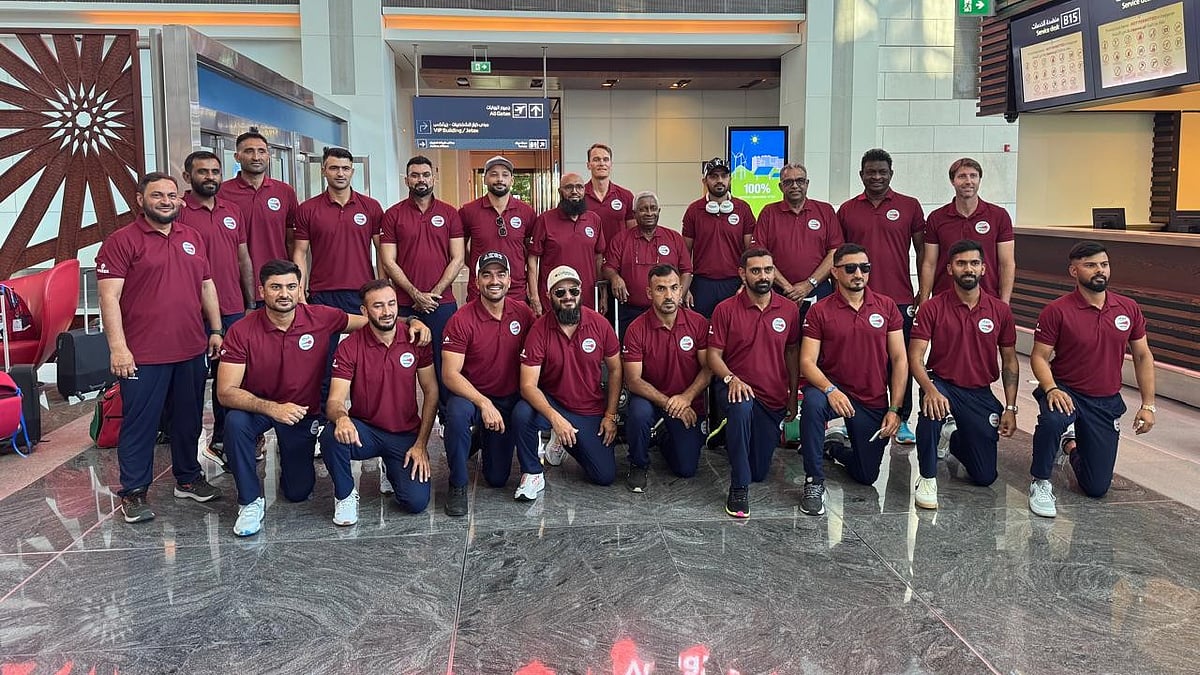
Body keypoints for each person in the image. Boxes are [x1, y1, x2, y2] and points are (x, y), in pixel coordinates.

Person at [216, 260, 429, 536]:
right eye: (275, 287)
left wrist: (411, 320)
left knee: (298, 492)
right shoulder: (242, 330)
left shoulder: (321, 317)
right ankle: (249, 502)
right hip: (261, 406)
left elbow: (375, 320)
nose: (284, 293)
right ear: (262, 290)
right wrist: (273, 408)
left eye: (291, 286)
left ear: (300, 289)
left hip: (301, 413)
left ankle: (383, 464)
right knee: (235, 423)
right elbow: (225, 391)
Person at [96, 172, 225, 523]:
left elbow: (206, 286)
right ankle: (134, 491)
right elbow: (109, 297)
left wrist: (215, 329)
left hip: (189, 349)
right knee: (141, 424)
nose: (167, 201)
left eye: (172, 195)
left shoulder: (192, 237)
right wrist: (118, 348)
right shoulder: (122, 241)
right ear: (140, 199)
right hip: (143, 355)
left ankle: (187, 477)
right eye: (157, 195)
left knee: (188, 421)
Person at [1027, 241, 1156, 517]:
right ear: (1073, 271)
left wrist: (1148, 404)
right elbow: (1039, 356)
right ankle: (1040, 481)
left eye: (1104, 264)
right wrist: (1050, 388)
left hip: (1104, 399)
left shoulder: (1128, 308)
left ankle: (1070, 444)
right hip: (1065, 390)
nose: (1099, 271)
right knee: (1052, 420)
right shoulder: (1057, 311)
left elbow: (1143, 356)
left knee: (1096, 487)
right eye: (1090, 265)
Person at [908, 239, 1019, 509]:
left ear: (983, 269)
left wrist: (1011, 407)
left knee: (984, 476)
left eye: (974, 263)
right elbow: (915, 356)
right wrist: (930, 390)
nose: (968, 268)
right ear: (949, 269)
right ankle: (927, 477)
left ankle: (955, 439)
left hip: (979, 391)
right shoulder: (933, 307)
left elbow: (1009, 361)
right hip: (942, 383)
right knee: (932, 410)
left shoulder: (1000, 311)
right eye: (961, 263)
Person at [798, 244, 907, 516]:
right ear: (835, 272)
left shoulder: (887, 306)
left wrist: (895, 410)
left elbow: (900, 360)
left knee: (865, 475)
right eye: (851, 268)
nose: (859, 274)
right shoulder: (820, 311)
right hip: (832, 392)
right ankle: (814, 482)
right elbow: (806, 362)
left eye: (865, 268)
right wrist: (830, 390)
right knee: (812, 403)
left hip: (870, 400)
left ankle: (833, 447)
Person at [320, 281, 439, 525]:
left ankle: (391, 467)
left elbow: (431, 391)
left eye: (391, 304)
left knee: (415, 503)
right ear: (364, 312)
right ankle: (344, 496)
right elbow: (334, 400)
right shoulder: (349, 346)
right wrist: (342, 418)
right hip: (366, 431)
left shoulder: (416, 339)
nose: (387, 312)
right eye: (378, 306)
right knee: (331, 435)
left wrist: (421, 444)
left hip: (404, 434)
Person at [838, 148, 925, 445]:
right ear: (861, 175)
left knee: (900, 360)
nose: (876, 177)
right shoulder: (847, 210)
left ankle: (900, 417)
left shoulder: (910, 206)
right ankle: (854, 416)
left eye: (882, 172)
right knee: (861, 359)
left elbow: (923, 253)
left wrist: (922, 292)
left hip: (900, 297)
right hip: (858, 299)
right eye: (871, 172)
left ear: (891, 173)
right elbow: (839, 257)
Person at [512, 266, 622, 500]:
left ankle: (560, 442)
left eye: (573, 290)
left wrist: (610, 415)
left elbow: (615, 370)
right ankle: (532, 473)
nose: (568, 297)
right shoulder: (539, 330)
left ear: (581, 291)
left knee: (604, 476)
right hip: (553, 403)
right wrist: (555, 418)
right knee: (522, 412)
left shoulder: (600, 324)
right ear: (549, 296)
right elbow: (528, 385)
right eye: (560, 293)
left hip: (588, 408)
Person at [440, 252, 536, 516]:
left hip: (508, 399)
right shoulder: (461, 319)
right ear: (476, 281)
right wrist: (483, 403)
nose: (494, 280)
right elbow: (450, 374)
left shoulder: (523, 313)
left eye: (500, 274)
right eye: (487, 274)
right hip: (472, 397)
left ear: (509, 280)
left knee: (496, 479)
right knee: (457, 414)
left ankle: (481, 436)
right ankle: (457, 483)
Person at [707, 249, 800, 519]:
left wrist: (792, 395)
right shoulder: (725, 309)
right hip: (734, 387)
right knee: (741, 406)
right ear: (742, 274)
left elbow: (792, 352)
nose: (763, 276)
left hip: (771, 395)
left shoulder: (790, 310)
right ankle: (738, 487)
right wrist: (731, 378)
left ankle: (733, 437)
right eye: (756, 270)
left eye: (768, 270)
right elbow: (713, 355)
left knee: (759, 472)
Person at [178, 150, 256, 464]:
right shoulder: (178, 210)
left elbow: (243, 258)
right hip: (190, 313)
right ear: (188, 177)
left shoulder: (231, 210)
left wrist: (250, 303)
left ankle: (224, 440)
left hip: (233, 307)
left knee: (232, 377)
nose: (210, 177)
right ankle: (186, 454)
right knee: (193, 383)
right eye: (202, 172)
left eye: (215, 171)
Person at [621, 264, 711, 493]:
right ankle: (638, 463)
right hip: (651, 399)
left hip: (687, 401)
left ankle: (662, 435)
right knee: (639, 414)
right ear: (649, 293)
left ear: (681, 290)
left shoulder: (699, 323)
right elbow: (633, 380)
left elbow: (708, 369)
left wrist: (686, 397)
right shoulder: (636, 329)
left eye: (673, 288)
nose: (668, 295)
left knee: (686, 469)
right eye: (660, 289)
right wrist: (671, 403)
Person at [380, 155, 465, 388]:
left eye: (426, 175)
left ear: (433, 178)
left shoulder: (450, 214)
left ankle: (448, 417)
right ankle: (399, 421)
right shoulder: (393, 215)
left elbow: (458, 258)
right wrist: (415, 293)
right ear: (406, 180)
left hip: (442, 303)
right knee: (399, 363)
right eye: (415, 175)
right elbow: (388, 260)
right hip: (404, 304)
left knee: (445, 365)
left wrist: (433, 295)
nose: (421, 180)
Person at [292, 146, 384, 313]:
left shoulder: (371, 207)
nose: (340, 174)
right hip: (322, 293)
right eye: (334, 168)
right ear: (323, 171)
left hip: (362, 291)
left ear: (352, 171)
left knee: (364, 340)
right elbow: (300, 253)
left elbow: (381, 250)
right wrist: (299, 293)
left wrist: (383, 287)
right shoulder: (307, 209)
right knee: (325, 340)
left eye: (345, 168)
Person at [751, 162, 842, 322]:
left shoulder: (825, 211)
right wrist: (787, 287)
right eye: (788, 182)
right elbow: (759, 255)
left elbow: (835, 252)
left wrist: (809, 284)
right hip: (778, 292)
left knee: (818, 341)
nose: (795, 186)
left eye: (800, 181)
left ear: (807, 184)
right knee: (782, 343)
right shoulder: (768, 213)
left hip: (818, 291)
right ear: (780, 186)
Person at [918, 158, 1015, 305]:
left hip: (988, 301)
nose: (968, 181)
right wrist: (924, 302)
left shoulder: (999, 216)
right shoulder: (936, 218)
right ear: (952, 181)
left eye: (973, 175)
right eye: (962, 176)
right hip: (944, 301)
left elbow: (1006, 264)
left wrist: (1004, 304)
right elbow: (929, 264)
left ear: (979, 179)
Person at [218, 130, 299, 305]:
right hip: (235, 288)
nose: (256, 157)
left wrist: (296, 282)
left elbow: (291, 241)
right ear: (237, 157)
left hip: (277, 285)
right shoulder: (221, 193)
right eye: (249, 151)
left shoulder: (285, 192)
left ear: (268, 156)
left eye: (261, 151)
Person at [602, 192, 693, 331]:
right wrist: (615, 277)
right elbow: (608, 267)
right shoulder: (620, 239)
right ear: (634, 213)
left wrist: (679, 295)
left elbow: (687, 271)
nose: (649, 213)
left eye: (653, 208)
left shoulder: (674, 238)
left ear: (659, 211)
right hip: (630, 312)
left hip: (668, 312)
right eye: (643, 209)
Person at [682, 158, 755, 318]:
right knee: (701, 334)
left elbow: (750, 253)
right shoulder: (694, 210)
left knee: (734, 332)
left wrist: (746, 284)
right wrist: (685, 288)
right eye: (714, 176)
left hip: (734, 282)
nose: (719, 180)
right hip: (702, 284)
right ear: (705, 180)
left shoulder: (743, 209)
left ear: (730, 179)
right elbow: (685, 254)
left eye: (724, 176)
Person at [459, 155, 536, 303]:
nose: (500, 179)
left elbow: (530, 251)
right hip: (481, 290)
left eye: (505, 175)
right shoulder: (468, 211)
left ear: (512, 181)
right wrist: (477, 265)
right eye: (494, 174)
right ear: (485, 179)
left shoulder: (527, 212)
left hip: (516, 290)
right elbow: (460, 250)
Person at [527, 173, 605, 316]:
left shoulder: (594, 220)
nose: (574, 191)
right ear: (560, 192)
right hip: (554, 298)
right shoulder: (544, 220)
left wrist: (602, 293)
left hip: (586, 298)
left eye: (579, 187)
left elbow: (598, 258)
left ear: (584, 191)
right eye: (569, 187)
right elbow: (532, 260)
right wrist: (534, 296)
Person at [583, 143, 636, 245]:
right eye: (596, 159)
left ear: (611, 164)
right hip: (589, 257)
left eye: (606, 159)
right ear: (588, 165)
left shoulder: (626, 196)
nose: (601, 163)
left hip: (618, 258)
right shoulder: (579, 197)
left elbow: (633, 232)